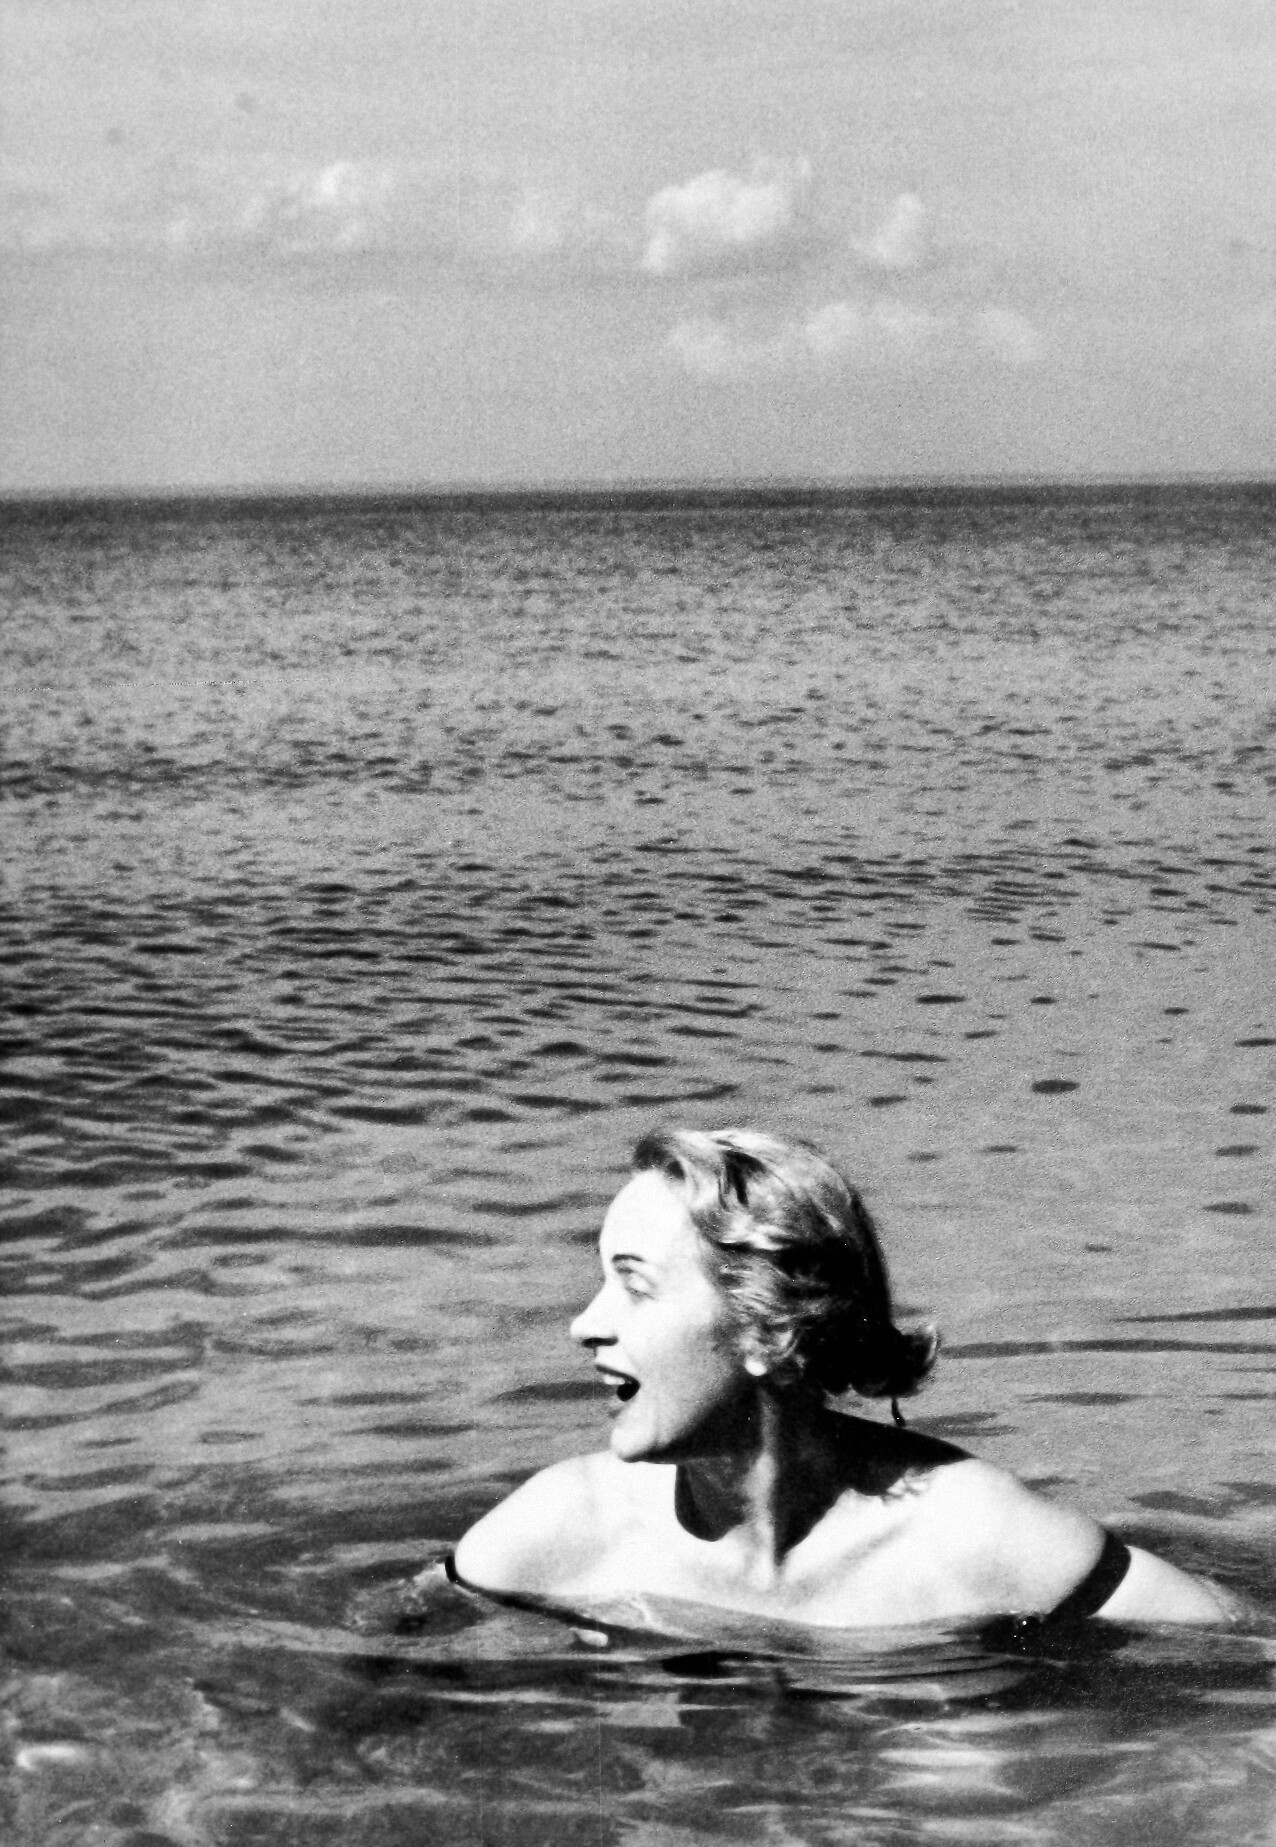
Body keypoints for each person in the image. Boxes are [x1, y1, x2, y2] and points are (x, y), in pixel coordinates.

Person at [454, 1127, 1235, 1629]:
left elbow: (1236, 1644)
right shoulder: (561, 1529)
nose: (583, 1322)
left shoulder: (968, 1533)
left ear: (767, 1327)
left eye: (634, 1284)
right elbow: (393, 1679)